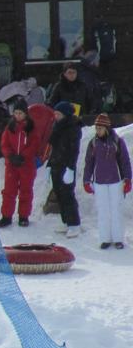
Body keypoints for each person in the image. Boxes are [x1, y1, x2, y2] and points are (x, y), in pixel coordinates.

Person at [82, 113, 131, 249]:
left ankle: (118, 238)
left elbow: (125, 161)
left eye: (100, 128)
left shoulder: (117, 141)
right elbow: (89, 163)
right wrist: (87, 180)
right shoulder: (93, 143)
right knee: (103, 210)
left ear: (107, 128)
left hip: (116, 181)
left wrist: (127, 179)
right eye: (96, 128)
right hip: (99, 182)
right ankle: (105, 238)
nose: (97, 131)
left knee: (116, 209)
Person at [0, 98, 38, 227]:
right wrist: (10, 156)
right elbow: (4, 144)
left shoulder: (31, 127)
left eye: (20, 113)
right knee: (9, 190)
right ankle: (6, 216)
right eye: (16, 113)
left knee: (26, 190)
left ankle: (24, 216)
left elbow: (34, 144)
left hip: (27, 164)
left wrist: (23, 156)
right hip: (12, 164)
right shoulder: (10, 127)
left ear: (25, 113)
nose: (18, 116)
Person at [48, 101, 83, 238]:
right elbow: (53, 145)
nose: (55, 116)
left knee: (67, 195)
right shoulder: (57, 126)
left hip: (66, 165)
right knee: (59, 194)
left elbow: (74, 150)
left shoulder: (73, 128)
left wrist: (70, 168)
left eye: (58, 114)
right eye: (55, 113)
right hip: (56, 163)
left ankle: (74, 224)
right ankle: (65, 221)